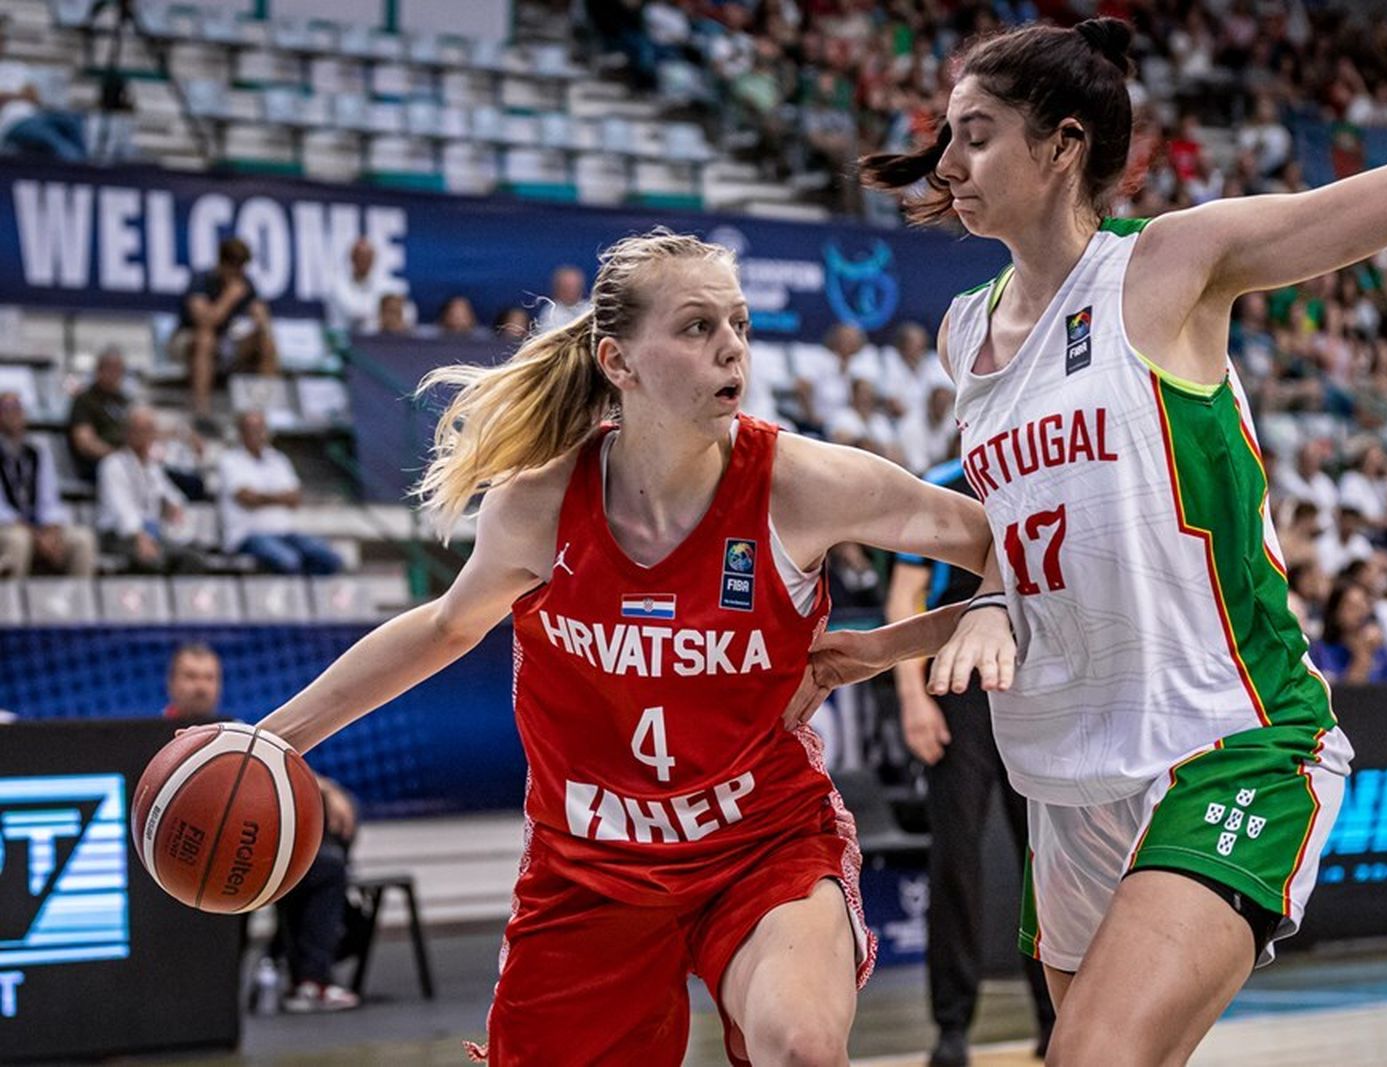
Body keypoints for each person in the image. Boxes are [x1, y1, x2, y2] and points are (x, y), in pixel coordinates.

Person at [823, 16, 1387, 1063]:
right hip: (1066, 772)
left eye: (976, 134)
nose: (948, 162)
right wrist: (883, 648)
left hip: (1225, 736)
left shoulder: (1169, 266)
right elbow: (1041, 566)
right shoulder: (968, 329)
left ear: (1061, 146)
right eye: (948, 135)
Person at [240, 231, 1009, 1065]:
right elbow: (443, 626)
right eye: (696, 327)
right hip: (589, 870)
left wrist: (943, 626)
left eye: (739, 325)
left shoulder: (805, 483)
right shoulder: (538, 506)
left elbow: (1007, 545)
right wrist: (268, 740)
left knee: (801, 1047)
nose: (731, 348)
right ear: (618, 360)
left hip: (761, 839)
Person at [885, 459, 1055, 1067]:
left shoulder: (1038, 470)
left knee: (1049, 864)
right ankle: (952, 1026)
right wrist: (912, 698)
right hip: (957, 691)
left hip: (1034, 687)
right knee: (956, 858)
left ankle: (1053, 1021)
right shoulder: (941, 479)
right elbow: (904, 597)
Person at [160, 643, 361, 1013]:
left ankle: (307, 976)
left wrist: (327, 789)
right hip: (184, 865)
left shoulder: (234, 732)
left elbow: (276, 767)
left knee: (329, 864)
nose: (201, 687)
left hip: (246, 851)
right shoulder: (160, 747)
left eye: (209, 678)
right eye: (191, 677)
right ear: (171, 684)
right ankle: (212, 999)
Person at [217, 411, 342, 575]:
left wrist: (263, 497)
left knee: (330, 559)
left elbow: (295, 499)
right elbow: (247, 499)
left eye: (260, 429)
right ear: (240, 433)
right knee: (289, 560)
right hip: (247, 536)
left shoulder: (278, 459)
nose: (257, 434)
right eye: (250, 429)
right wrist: (280, 497)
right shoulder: (229, 460)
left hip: (284, 533)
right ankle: (294, 596)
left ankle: (305, 596)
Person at [170, 237, 280, 421]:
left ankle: (262, 411)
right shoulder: (201, 280)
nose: (239, 273)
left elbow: (261, 317)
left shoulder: (245, 282)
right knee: (206, 339)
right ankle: (201, 410)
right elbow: (205, 321)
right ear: (223, 264)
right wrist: (229, 298)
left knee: (265, 342)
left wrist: (260, 317)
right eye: (235, 267)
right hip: (188, 340)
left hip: (225, 342)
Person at [96, 406, 206, 574]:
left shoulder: (152, 467)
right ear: (128, 433)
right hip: (119, 536)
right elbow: (122, 510)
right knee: (153, 560)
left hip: (152, 533)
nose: (146, 436)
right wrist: (139, 536)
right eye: (140, 430)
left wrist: (174, 507)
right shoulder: (112, 465)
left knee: (194, 558)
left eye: (149, 430)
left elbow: (171, 494)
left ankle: (177, 599)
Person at [0, 391, 96, 576]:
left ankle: (75, 601)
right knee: (19, 540)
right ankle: (9, 603)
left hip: (38, 528)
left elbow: (49, 500)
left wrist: (51, 532)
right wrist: (36, 535)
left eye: (18, 408)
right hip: (9, 529)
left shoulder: (36, 453)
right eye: (7, 409)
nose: (14, 413)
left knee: (82, 539)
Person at [67, 347, 130, 481]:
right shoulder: (85, 400)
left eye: (119, 369)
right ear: (99, 370)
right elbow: (85, 442)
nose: (115, 374)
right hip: (100, 463)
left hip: (128, 462)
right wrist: (118, 457)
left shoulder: (124, 400)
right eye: (110, 368)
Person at [534, 265, 590, 333]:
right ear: (559, 288)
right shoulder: (550, 313)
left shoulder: (590, 309)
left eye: (576, 286)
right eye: (568, 287)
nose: (573, 290)